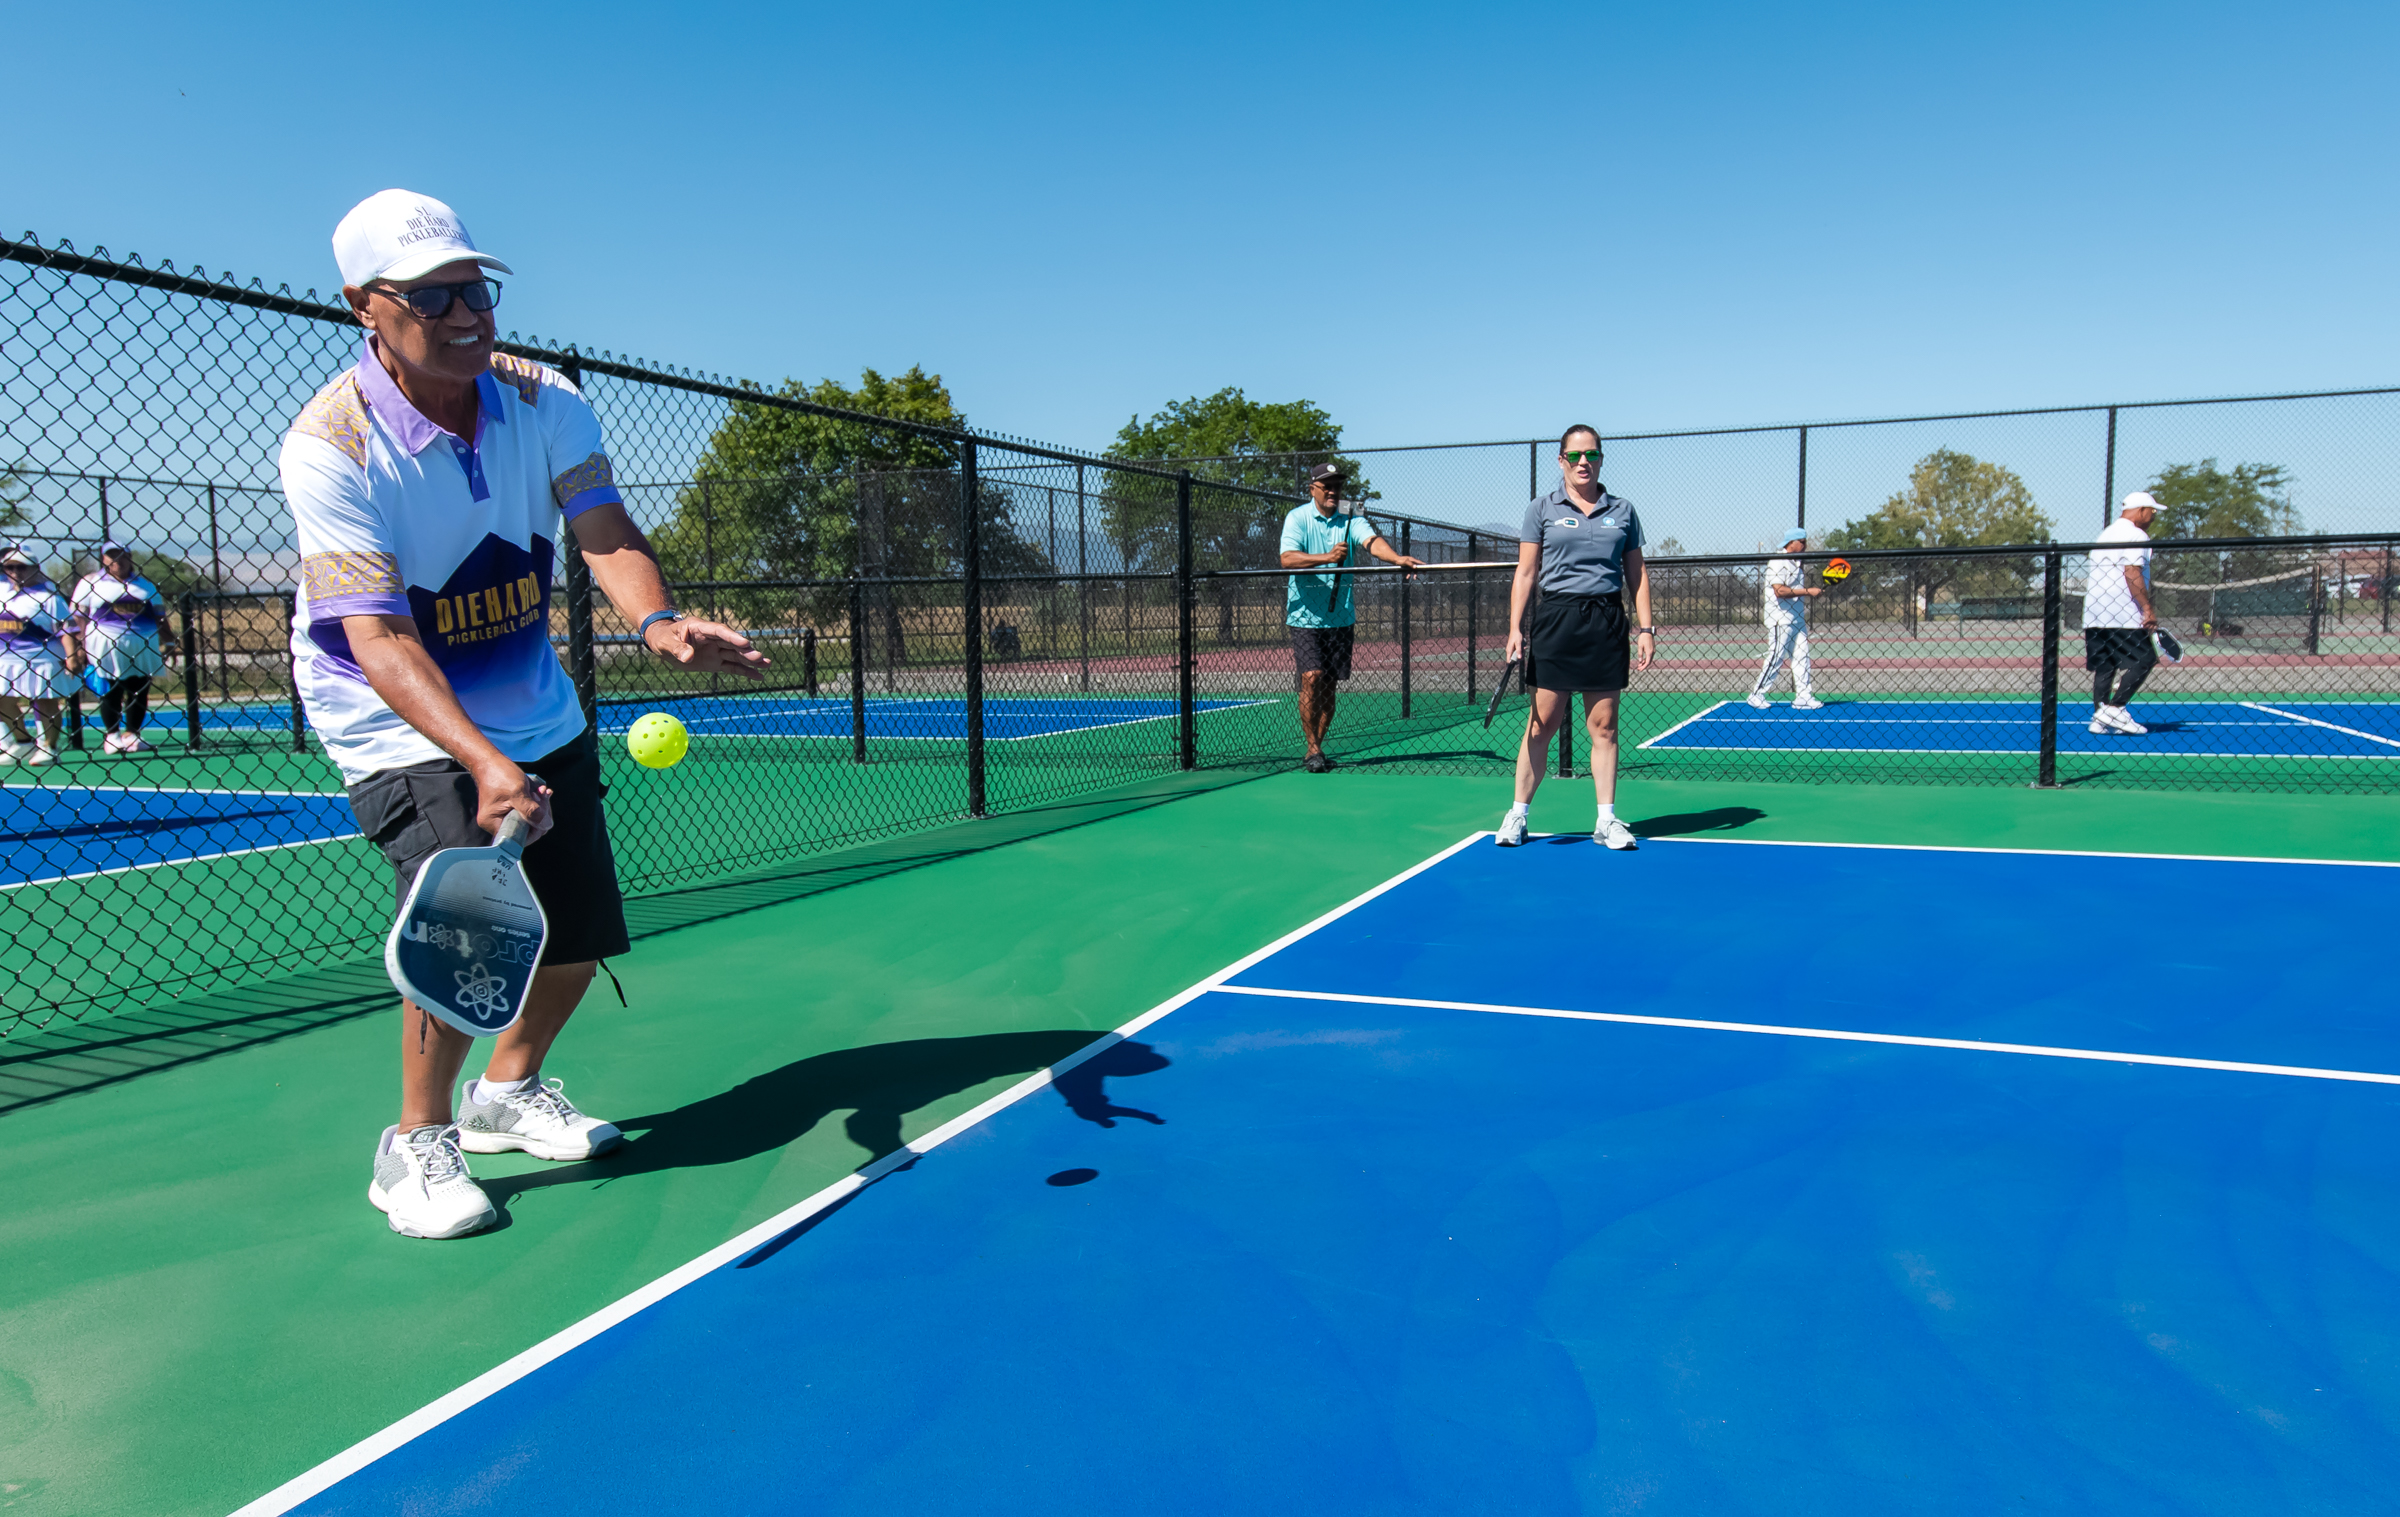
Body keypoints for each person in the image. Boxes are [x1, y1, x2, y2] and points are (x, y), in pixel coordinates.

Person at [283, 190, 768, 1239]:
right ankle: (414, 1143)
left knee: (578, 929)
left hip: (531, 698)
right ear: (367, 305)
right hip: (392, 711)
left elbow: (603, 527)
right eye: (434, 295)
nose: (468, 312)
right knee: (465, 924)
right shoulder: (331, 444)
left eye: (478, 288)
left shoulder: (545, 400)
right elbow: (380, 639)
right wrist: (480, 762)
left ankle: (507, 1091)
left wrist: (662, 622)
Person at [1496, 427, 1655, 850]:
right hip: (1556, 619)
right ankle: (1517, 814)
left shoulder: (1623, 510)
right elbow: (1526, 572)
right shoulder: (1541, 508)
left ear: (1601, 459)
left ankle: (1606, 821)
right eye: (1575, 455)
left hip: (1605, 620)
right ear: (1561, 460)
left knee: (1603, 726)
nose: (1584, 462)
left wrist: (1646, 628)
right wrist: (1514, 628)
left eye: (1592, 454)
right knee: (1541, 724)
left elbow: (1636, 574)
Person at [1278, 462, 1421, 772]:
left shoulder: (1351, 518)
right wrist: (1327, 558)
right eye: (1326, 485)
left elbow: (1371, 542)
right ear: (1312, 488)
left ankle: (1317, 747)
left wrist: (1397, 558)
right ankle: (1313, 749)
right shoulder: (1298, 518)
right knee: (1311, 678)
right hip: (1304, 617)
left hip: (1340, 618)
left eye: (1337, 486)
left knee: (1329, 687)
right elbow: (1287, 558)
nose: (1333, 491)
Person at [71, 543, 177, 754]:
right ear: (103, 559)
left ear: (129, 557)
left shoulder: (145, 586)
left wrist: (171, 642)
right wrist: (81, 643)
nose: (116, 561)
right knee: (111, 689)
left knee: (140, 690)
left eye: (121, 556)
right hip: (105, 645)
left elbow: (159, 616)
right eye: (111, 556)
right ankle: (112, 736)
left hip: (143, 645)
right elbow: (77, 615)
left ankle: (132, 735)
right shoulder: (91, 583)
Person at [2084, 491, 2161, 735]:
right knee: (2146, 659)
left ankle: (2100, 717)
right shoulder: (2136, 534)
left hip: (2095, 614)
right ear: (2141, 511)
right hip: (2122, 613)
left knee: (2106, 666)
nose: (2154, 516)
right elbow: (2131, 572)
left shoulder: (2105, 534)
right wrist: (2147, 609)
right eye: (2153, 511)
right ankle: (2115, 708)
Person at [0, 545, 82, 766]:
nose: (15, 572)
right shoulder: (2, 593)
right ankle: (23, 742)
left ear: (35, 568)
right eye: (9, 567)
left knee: (45, 702)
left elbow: (67, 629)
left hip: (42, 658)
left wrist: (72, 656)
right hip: (6, 659)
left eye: (22, 567)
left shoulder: (49, 597)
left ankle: (49, 747)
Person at [1745, 529, 1824, 711]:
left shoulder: (1796, 563)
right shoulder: (1778, 561)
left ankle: (1803, 696)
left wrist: (1811, 593)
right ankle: (1756, 694)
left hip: (1797, 618)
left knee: (1802, 656)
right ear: (1791, 543)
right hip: (1781, 618)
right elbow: (1779, 591)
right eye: (1802, 541)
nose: (1805, 545)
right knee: (1776, 655)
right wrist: (1807, 591)